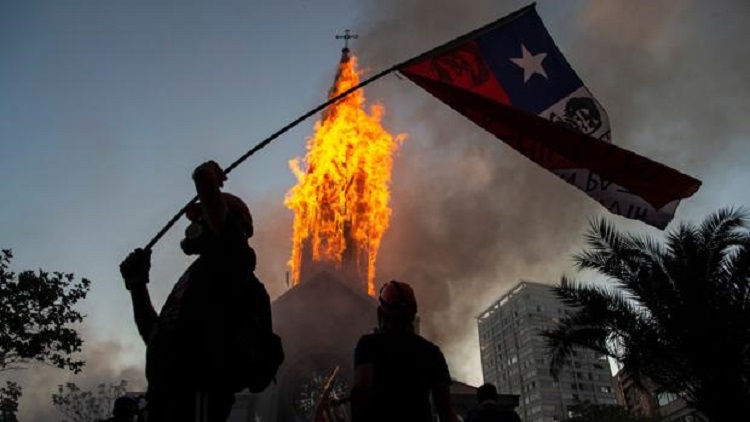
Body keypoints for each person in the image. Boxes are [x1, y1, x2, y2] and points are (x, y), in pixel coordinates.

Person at [120, 161, 270, 422]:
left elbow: (217, 213)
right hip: (161, 401)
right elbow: (156, 336)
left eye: (203, 216)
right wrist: (137, 285)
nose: (197, 223)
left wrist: (205, 177)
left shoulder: (234, 261)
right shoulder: (196, 278)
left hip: (199, 401)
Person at [350, 280, 458, 422]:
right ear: (413, 314)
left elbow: (361, 395)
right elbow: (445, 411)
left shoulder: (369, 345)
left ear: (381, 313)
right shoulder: (431, 352)